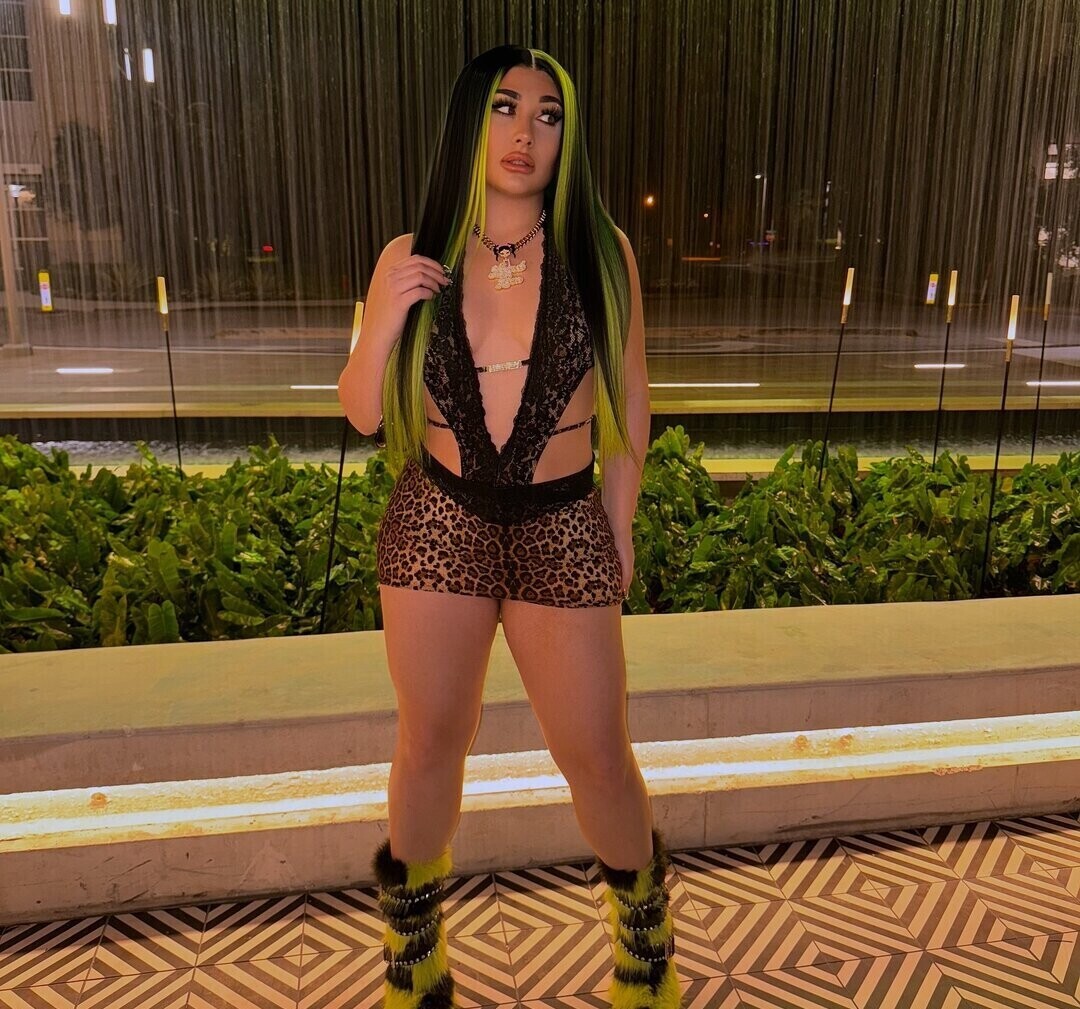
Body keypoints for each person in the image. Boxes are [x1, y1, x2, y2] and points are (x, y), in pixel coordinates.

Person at [338, 44, 682, 1009]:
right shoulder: (410, 255)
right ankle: (414, 951)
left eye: (547, 113)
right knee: (429, 741)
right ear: (470, 121)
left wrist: (619, 528)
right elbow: (361, 410)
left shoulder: (601, 253)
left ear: (567, 137)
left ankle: (644, 936)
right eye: (504, 107)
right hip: (438, 519)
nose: (525, 132)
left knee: (599, 754)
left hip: (560, 522)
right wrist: (385, 321)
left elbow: (631, 398)